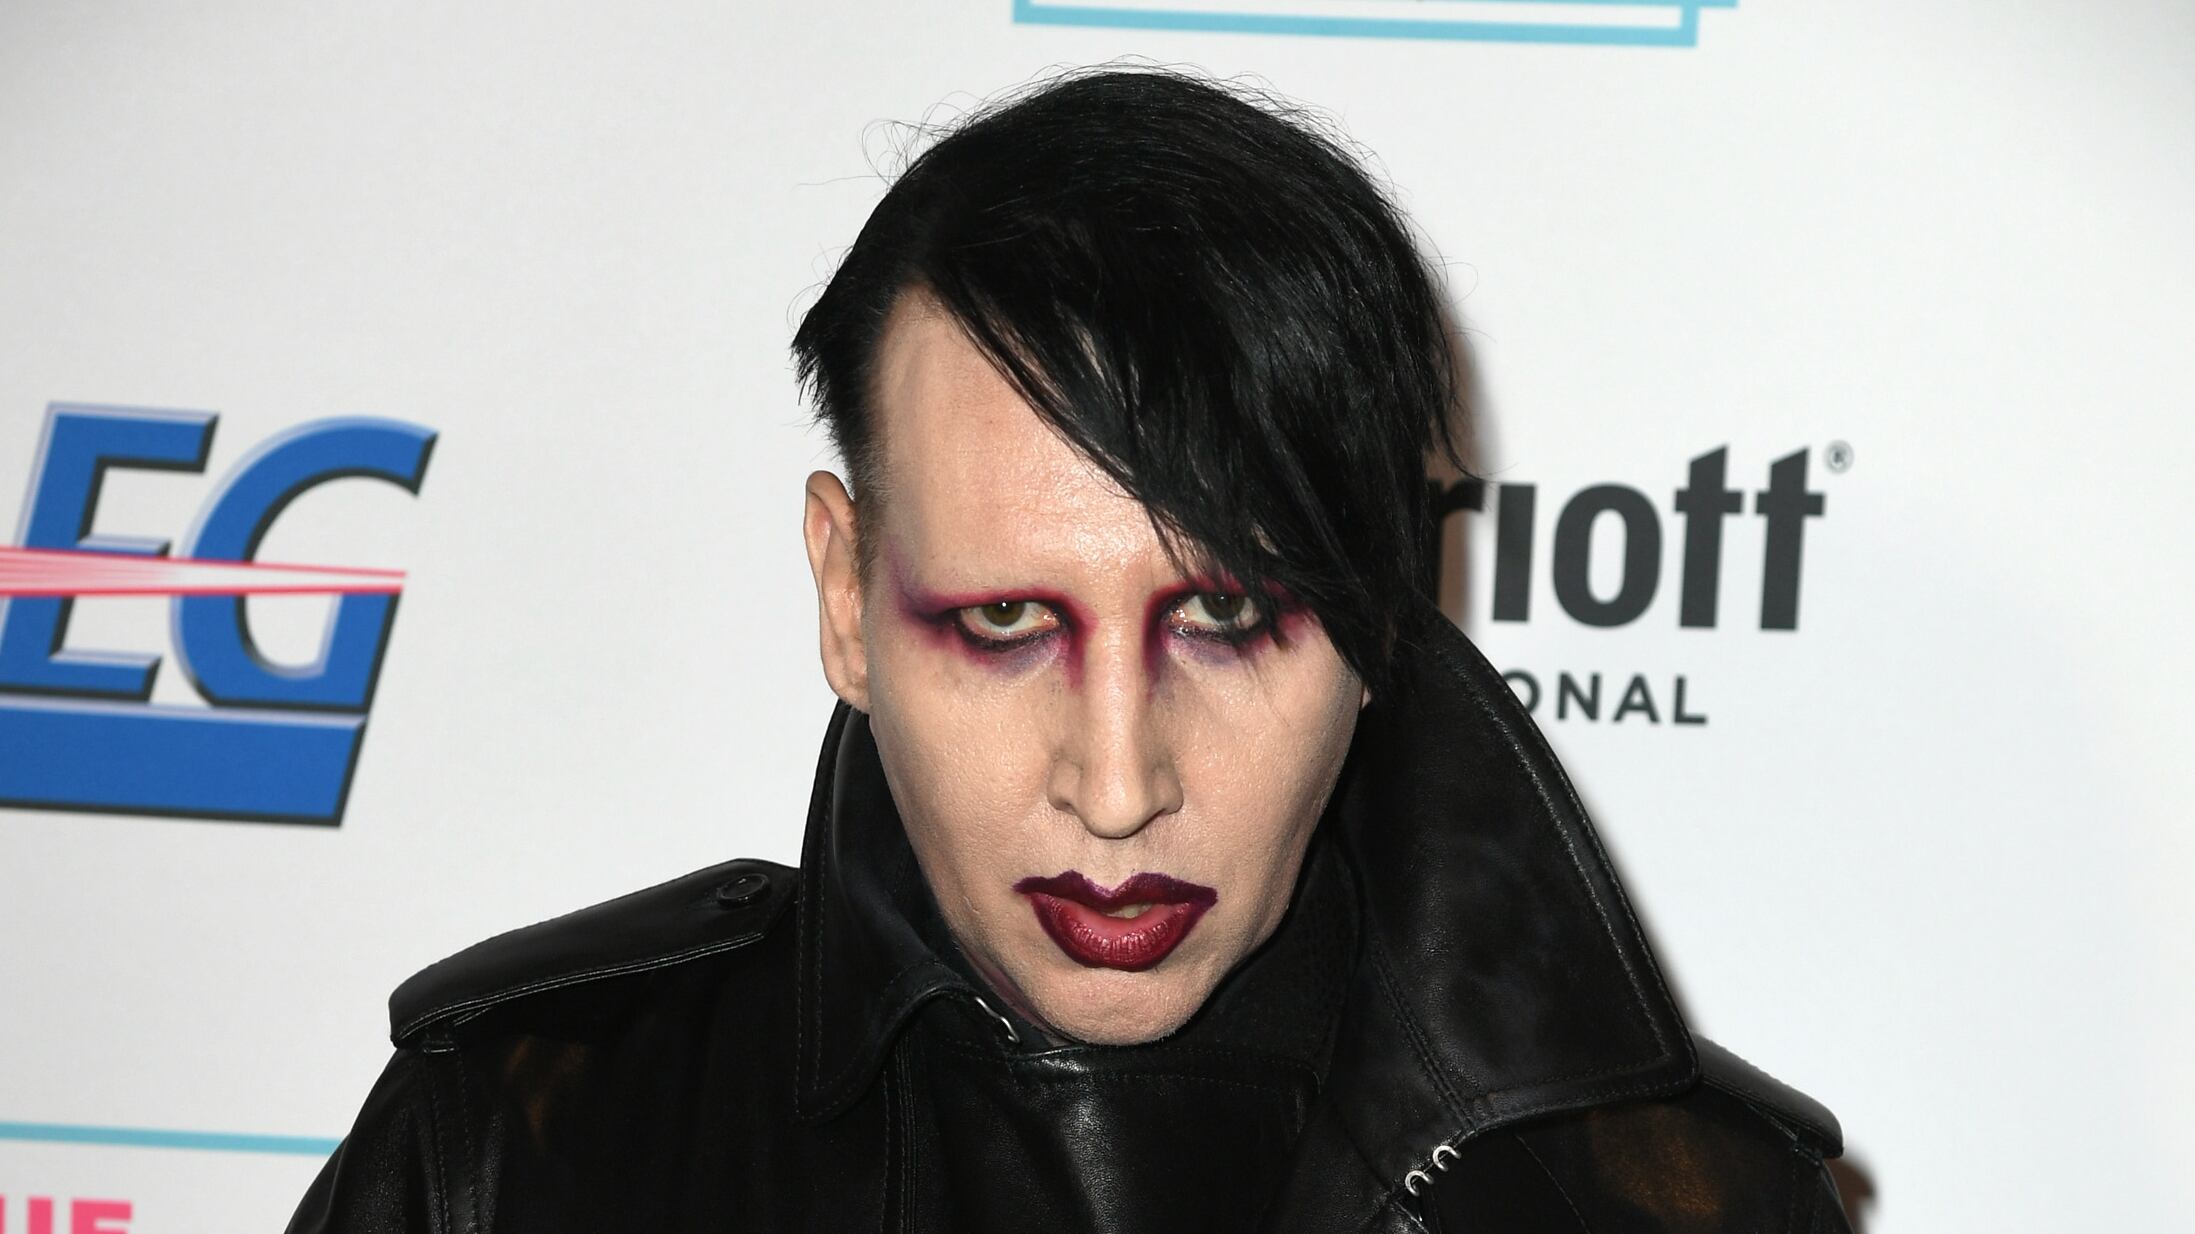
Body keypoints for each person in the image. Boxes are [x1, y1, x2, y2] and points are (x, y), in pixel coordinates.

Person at [286, 66, 1853, 1233]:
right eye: (1008, 622)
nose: (1116, 786)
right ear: (845, 596)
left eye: (1226, 618)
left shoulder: (1689, 1206)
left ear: (1381, 605)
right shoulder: (516, 1151)